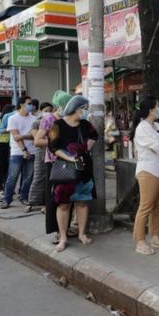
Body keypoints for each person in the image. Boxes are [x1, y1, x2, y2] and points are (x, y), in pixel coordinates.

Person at [49, 96, 97, 251]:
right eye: (85, 108)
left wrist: (86, 148)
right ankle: (63, 237)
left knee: (82, 201)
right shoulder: (58, 125)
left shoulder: (85, 124)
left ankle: (81, 233)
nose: (86, 112)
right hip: (65, 169)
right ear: (77, 109)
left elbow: (94, 135)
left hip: (84, 168)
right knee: (63, 204)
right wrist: (69, 157)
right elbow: (53, 147)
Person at [132, 96, 159, 255]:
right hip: (148, 171)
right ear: (151, 109)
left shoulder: (157, 125)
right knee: (146, 206)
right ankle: (140, 241)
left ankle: (155, 237)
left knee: (158, 207)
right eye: (156, 106)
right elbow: (158, 147)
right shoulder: (142, 128)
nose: (158, 109)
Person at [35, 91, 73, 241]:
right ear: (60, 105)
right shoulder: (48, 119)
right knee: (55, 197)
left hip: (69, 161)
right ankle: (57, 230)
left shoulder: (70, 119)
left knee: (68, 197)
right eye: (67, 104)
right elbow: (38, 141)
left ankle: (66, 228)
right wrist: (57, 144)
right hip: (53, 162)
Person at [1, 96, 37, 209]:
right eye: (29, 103)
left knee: (28, 177)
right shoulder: (13, 118)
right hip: (17, 152)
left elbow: (34, 136)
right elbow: (15, 136)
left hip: (33, 151)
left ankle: (24, 197)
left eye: (32, 103)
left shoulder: (34, 119)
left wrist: (23, 136)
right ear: (21, 104)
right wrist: (24, 150)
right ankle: (7, 199)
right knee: (12, 177)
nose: (31, 105)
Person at [26, 102, 54, 211]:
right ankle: (31, 202)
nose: (48, 113)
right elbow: (36, 137)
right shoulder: (36, 123)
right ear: (41, 111)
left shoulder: (53, 122)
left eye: (50, 110)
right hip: (40, 152)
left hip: (51, 152)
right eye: (46, 110)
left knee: (49, 179)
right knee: (38, 177)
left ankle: (46, 204)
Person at [0, 104, 15, 197]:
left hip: (9, 145)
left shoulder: (13, 120)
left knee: (8, 167)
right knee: (0, 167)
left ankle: (6, 187)